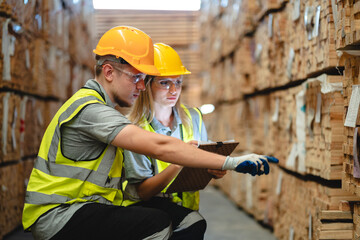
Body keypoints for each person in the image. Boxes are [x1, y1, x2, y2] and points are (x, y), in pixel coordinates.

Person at [22, 26, 278, 240]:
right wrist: (232, 162)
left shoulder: (102, 107)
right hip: (58, 214)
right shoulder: (90, 110)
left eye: (145, 78)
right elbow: (160, 147)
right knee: (154, 224)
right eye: (136, 77)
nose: (142, 86)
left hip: (90, 207)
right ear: (109, 72)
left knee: (189, 222)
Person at [123, 43, 226, 239]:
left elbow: (202, 162)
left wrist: (214, 169)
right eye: (164, 83)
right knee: (191, 224)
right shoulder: (133, 129)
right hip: (146, 209)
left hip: (184, 208)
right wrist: (180, 160)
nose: (174, 90)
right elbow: (143, 193)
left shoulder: (194, 117)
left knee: (193, 224)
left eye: (178, 82)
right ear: (146, 84)